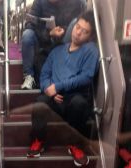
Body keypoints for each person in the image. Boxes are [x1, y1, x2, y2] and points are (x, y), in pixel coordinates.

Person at [27, 11, 99, 167]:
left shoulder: (91, 50)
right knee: (40, 102)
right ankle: (38, 140)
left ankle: (74, 145)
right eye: (78, 27)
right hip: (55, 100)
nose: (78, 33)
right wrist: (48, 89)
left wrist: (58, 87)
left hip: (74, 99)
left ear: (90, 35)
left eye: (84, 31)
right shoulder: (57, 51)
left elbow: (86, 76)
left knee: (80, 103)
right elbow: (45, 74)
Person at [20, 0, 86, 89]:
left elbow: (79, 25)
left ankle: (65, 74)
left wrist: (63, 30)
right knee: (27, 35)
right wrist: (48, 33)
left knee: (75, 24)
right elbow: (29, 24)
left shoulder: (75, 3)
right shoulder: (39, 2)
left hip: (65, 39)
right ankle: (29, 76)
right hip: (44, 39)